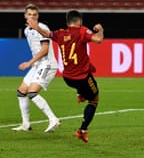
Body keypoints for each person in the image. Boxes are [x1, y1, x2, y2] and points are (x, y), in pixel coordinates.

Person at [27, 10, 104, 142]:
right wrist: (100, 30)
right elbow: (98, 40)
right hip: (81, 78)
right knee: (94, 100)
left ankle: (81, 94)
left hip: (67, 78)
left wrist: (37, 27)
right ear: (78, 21)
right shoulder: (82, 31)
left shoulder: (61, 33)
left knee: (88, 70)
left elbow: (47, 34)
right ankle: (82, 130)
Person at [13, 4, 60, 133]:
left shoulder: (42, 28)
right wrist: (33, 63)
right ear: (25, 16)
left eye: (34, 15)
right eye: (29, 14)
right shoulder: (27, 30)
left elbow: (45, 50)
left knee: (32, 93)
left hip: (47, 64)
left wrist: (29, 62)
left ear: (38, 16)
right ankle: (26, 124)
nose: (32, 17)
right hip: (37, 65)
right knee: (21, 91)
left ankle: (53, 119)